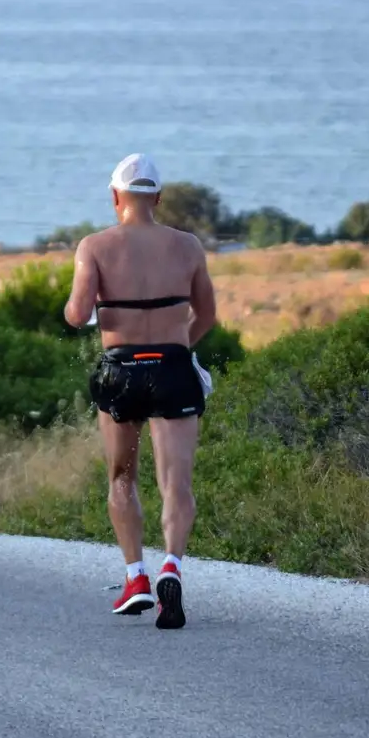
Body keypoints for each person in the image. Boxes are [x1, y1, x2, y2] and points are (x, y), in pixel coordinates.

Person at [63, 153, 219, 630]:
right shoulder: (188, 245)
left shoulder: (94, 246)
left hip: (120, 369)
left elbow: (76, 314)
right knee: (177, 482)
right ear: (159, 198)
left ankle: (136, 577)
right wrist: (175, 348)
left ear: (116, 198)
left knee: (121, 477)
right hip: (171, 368)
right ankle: (171, 564)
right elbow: (207, 315)